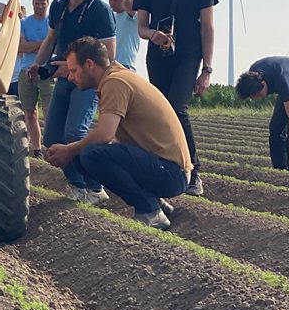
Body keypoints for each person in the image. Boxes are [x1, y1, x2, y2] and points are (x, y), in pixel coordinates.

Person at [45, 37, 192, 229]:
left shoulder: (115, 82)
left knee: (90, 154)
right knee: (84, 154)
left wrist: (69, 150)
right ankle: (155, 202)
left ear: (89, 64)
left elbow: (104, 135)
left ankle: (149, 211)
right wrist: (73, 151)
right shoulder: (116, 76)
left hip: (172, 173)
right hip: (168, 169)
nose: (70, 77)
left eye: (73, 70)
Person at [133, 0, 218, 197]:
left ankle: (193, 171)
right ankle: (166, 167)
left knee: (177, 107)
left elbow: (208, 28)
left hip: (188, 55)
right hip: (158, 56)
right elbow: (141, 27)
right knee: (160, 111)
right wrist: (153, 35)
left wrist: (207, 69)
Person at [28, 0, 116, 204]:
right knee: (52, 138)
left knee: (75, 132)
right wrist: (38, 63)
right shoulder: (58, 5)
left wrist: (72, 67)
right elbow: (51, 39)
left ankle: (95, 188)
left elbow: (110, 53)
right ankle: (77, 185)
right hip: (65, 79)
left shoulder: (100, 10)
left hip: (88, 81)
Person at [236, 57, 289, 172]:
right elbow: (287, 64)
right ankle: (279, 169)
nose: (257, 98)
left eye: (257, 94)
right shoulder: (252, 75)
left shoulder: (282, 81)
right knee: (276, 126)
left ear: (263, 83)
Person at [17, 0, 54, 158]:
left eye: (42, 4)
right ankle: (37, 148)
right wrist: (45, 43)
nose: (39, 7)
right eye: (37, 4)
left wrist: (33, 45)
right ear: (32, 3)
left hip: (47, 70)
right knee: (29, 112)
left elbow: (55, 45)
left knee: (49, 110)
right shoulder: (24, 22)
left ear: (47, 4)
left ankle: (52, 146)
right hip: (26, 70)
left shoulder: (52, 22)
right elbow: (21, 47)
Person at [107, 0, 140, 71]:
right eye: (110, 0)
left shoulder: (131, 15)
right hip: (112, 64)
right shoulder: (112, 17)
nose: (112, 3)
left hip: (126, 63)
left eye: (116, 1)